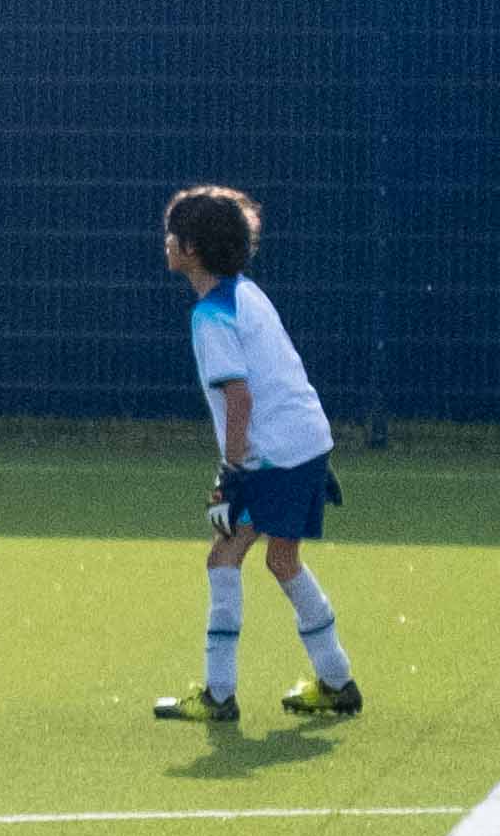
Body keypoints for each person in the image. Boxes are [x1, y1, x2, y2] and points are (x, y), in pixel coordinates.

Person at [151, 187, 365, 733]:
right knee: (282, 561)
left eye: (173, 233)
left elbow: (240, 399)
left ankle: (219, 694)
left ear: (191, 249)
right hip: (305, 444)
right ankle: (337, 681)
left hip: (272, 457)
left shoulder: (211, 317)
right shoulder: (247, 293)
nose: (166, 241)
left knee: (223, 560)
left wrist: (232, 476)